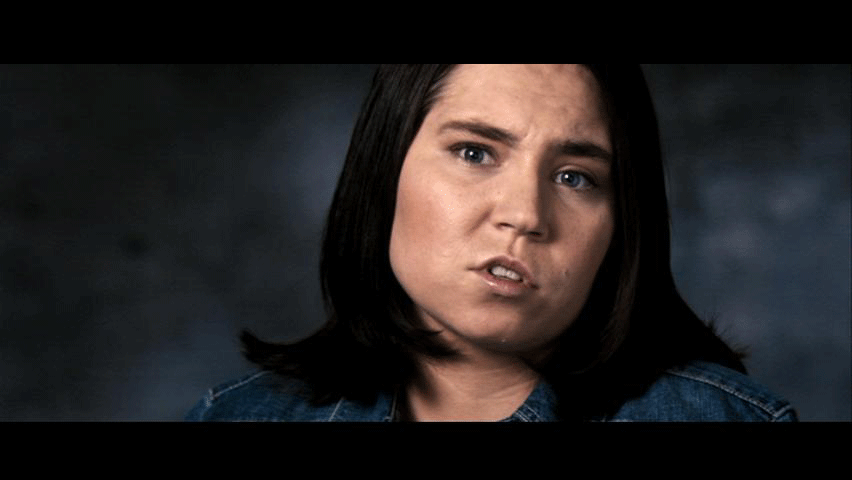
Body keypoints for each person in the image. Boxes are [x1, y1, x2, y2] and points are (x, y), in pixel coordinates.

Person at [186, 64, 797, 422]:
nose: (525, 215)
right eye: (475, 153)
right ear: (385, 170)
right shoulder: (239, 414)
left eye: (574, 178)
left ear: (623, 225)